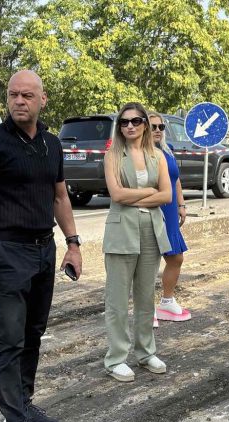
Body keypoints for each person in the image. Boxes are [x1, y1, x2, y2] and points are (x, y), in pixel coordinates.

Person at [0, 70, 83, 422]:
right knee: (10, 338)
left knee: (34, 332)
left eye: (27, 95)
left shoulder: (51, 144)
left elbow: (60, 197)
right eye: (13, 94)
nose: (19, 101)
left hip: (44, 249)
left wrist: (73, 244)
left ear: (42, 100)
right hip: (7, 252)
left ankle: (24, 402)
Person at [102, 103, 172, 382]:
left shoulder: (158, 156)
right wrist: (149, 191)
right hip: (121, 231)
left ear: (145, 124)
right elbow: (117, 195)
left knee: (145, 297)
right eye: (124, 122)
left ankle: (146, 352)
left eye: (136, 121)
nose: (129, 126)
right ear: (119, 127)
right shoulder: (113, 156)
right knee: (117, 300)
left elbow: (166, 195)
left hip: (151, 230)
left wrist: (139, 195)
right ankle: (116, 358)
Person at [148, 111, 191, 326]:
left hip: (171, 211)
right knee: (148, 262)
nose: (157, 130)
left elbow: (176, 180)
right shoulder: (141, 154)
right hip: (153, 210)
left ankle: (166, 301)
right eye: (153, 127)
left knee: (176, 258)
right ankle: (146, 310)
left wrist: (181, 204)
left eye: (161, 127)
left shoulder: (168, 150)